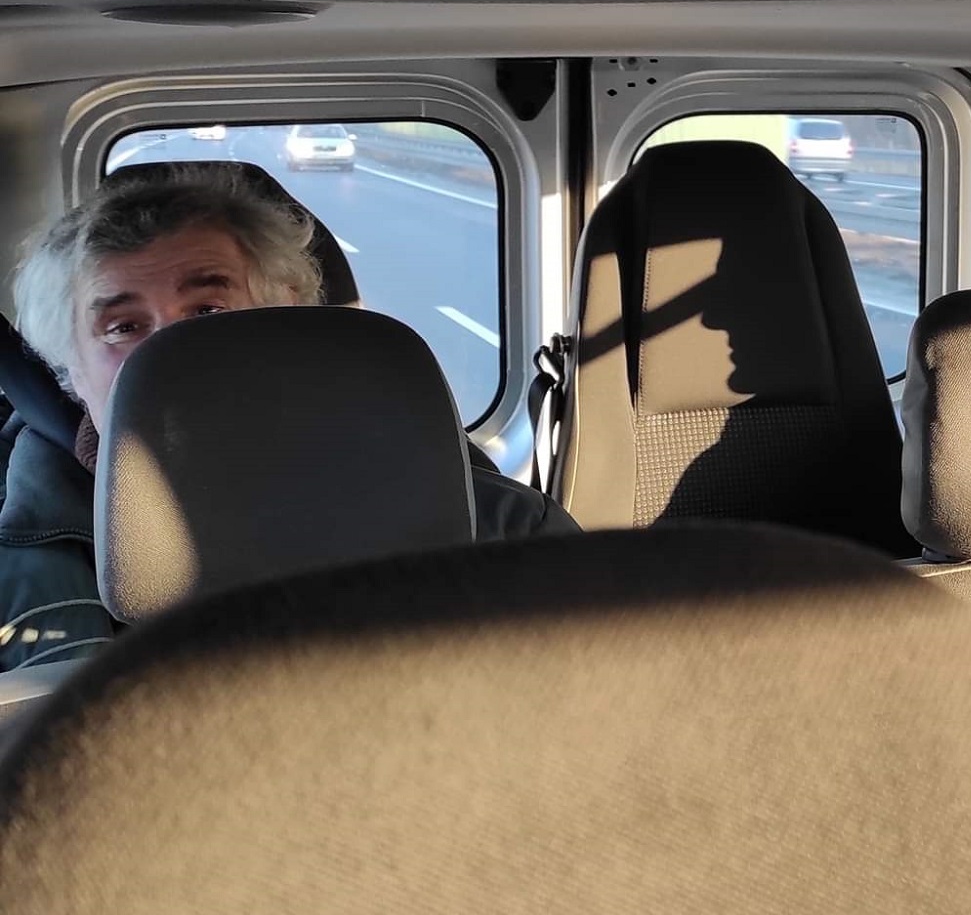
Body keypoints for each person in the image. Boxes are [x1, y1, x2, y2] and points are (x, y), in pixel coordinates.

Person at [0, 164, 574, 673]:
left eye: (208, 310)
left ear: (286, 319)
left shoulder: (505, 529)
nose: (171, 352)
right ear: (70, 371)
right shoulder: (17, 564)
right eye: (124, 327)